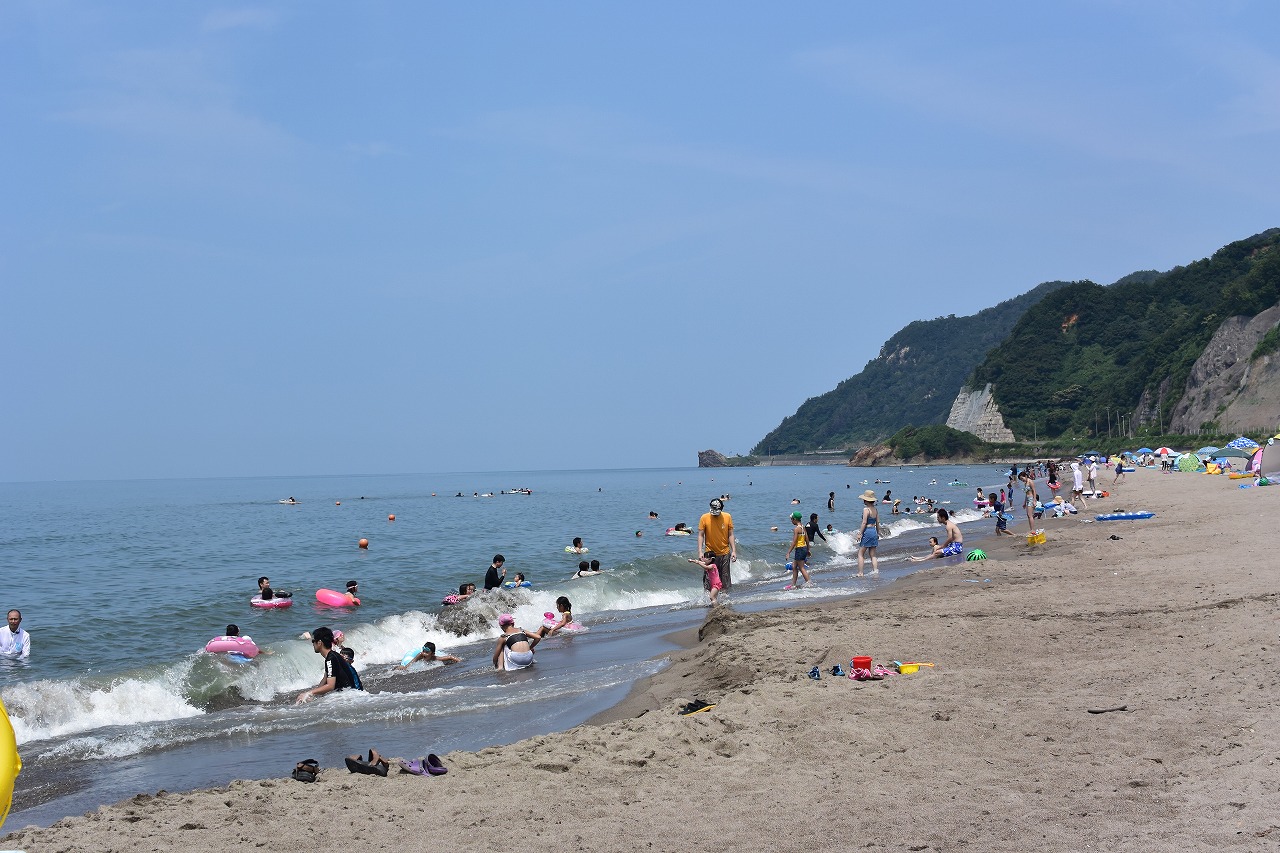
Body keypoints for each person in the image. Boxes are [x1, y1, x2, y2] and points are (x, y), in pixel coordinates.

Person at [295, 626, 360, 703]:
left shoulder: (330, 659)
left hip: (348, 697)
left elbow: (330, 686)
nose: (312, 643)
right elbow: (325, 679)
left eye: (313, 641)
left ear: (319, 643)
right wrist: (312, 696)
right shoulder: (334, 655)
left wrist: (309, 693)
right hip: (349, 693)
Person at [697, 498, 737, 591]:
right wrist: (700, 551)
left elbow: (730, 535)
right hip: (709, 554)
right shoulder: (704, 517)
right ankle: (708, 600)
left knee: (725, 581)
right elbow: (700, 535)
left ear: (721, 508)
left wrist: (734, 551)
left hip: (725, 553)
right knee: (708, 582)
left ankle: (725, 601)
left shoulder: (727, 517)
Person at [856, 489, 880, 577]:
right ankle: (875, 570)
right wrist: (877, 533)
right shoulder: (875, 509)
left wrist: (860, 533)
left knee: (860, 553)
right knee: (873, 554)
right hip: (873, 531)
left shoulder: (866, 509)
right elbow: (877, 523)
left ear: (866, 500)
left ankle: (860, 572)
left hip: (867, 531)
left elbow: (864, 522)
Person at [784, 511, 812, 589]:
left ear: (795, 519)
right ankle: (793, 584)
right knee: (794, 566)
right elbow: (807, 539)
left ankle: (809, 582)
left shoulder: (796, 529)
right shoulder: (803, 527)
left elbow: (794, 542)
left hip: (799, 549)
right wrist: (808, 549)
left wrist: (788, 552)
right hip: (804, 548)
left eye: (792, 519)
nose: (791, 521)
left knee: (801, 567)